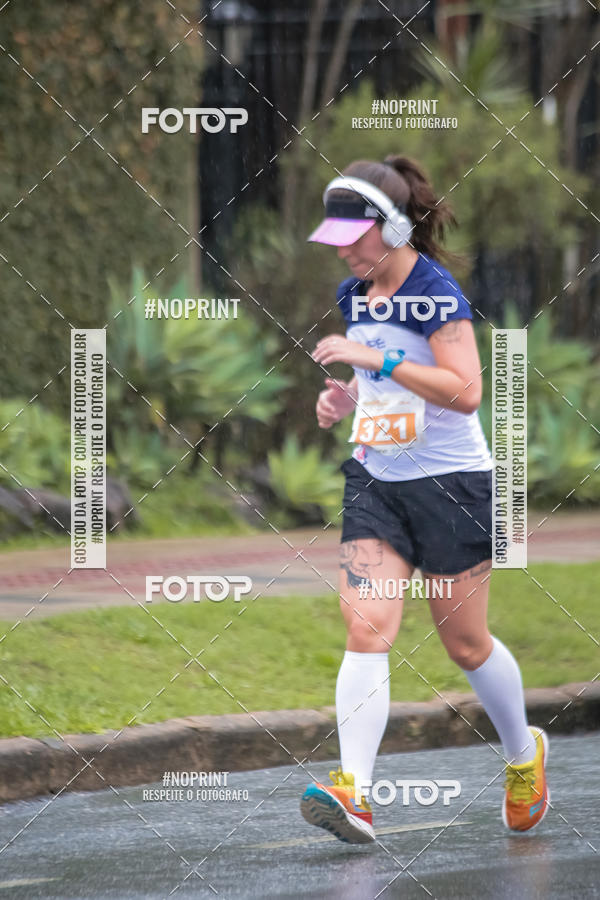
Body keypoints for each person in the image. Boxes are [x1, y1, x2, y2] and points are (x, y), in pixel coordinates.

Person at [299, 156, 549, 844]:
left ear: (393, 227)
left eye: (354, 238)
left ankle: (523, 756)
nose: (343, 252)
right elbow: (381, 380)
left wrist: (374, 361)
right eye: (335, 239)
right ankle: (354, 794)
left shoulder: (436, 293)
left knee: (465, 644)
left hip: (453, 486)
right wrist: (345, 396)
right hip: (376, 483)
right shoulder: (355, 293)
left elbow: (465, 389)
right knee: (366, 626)